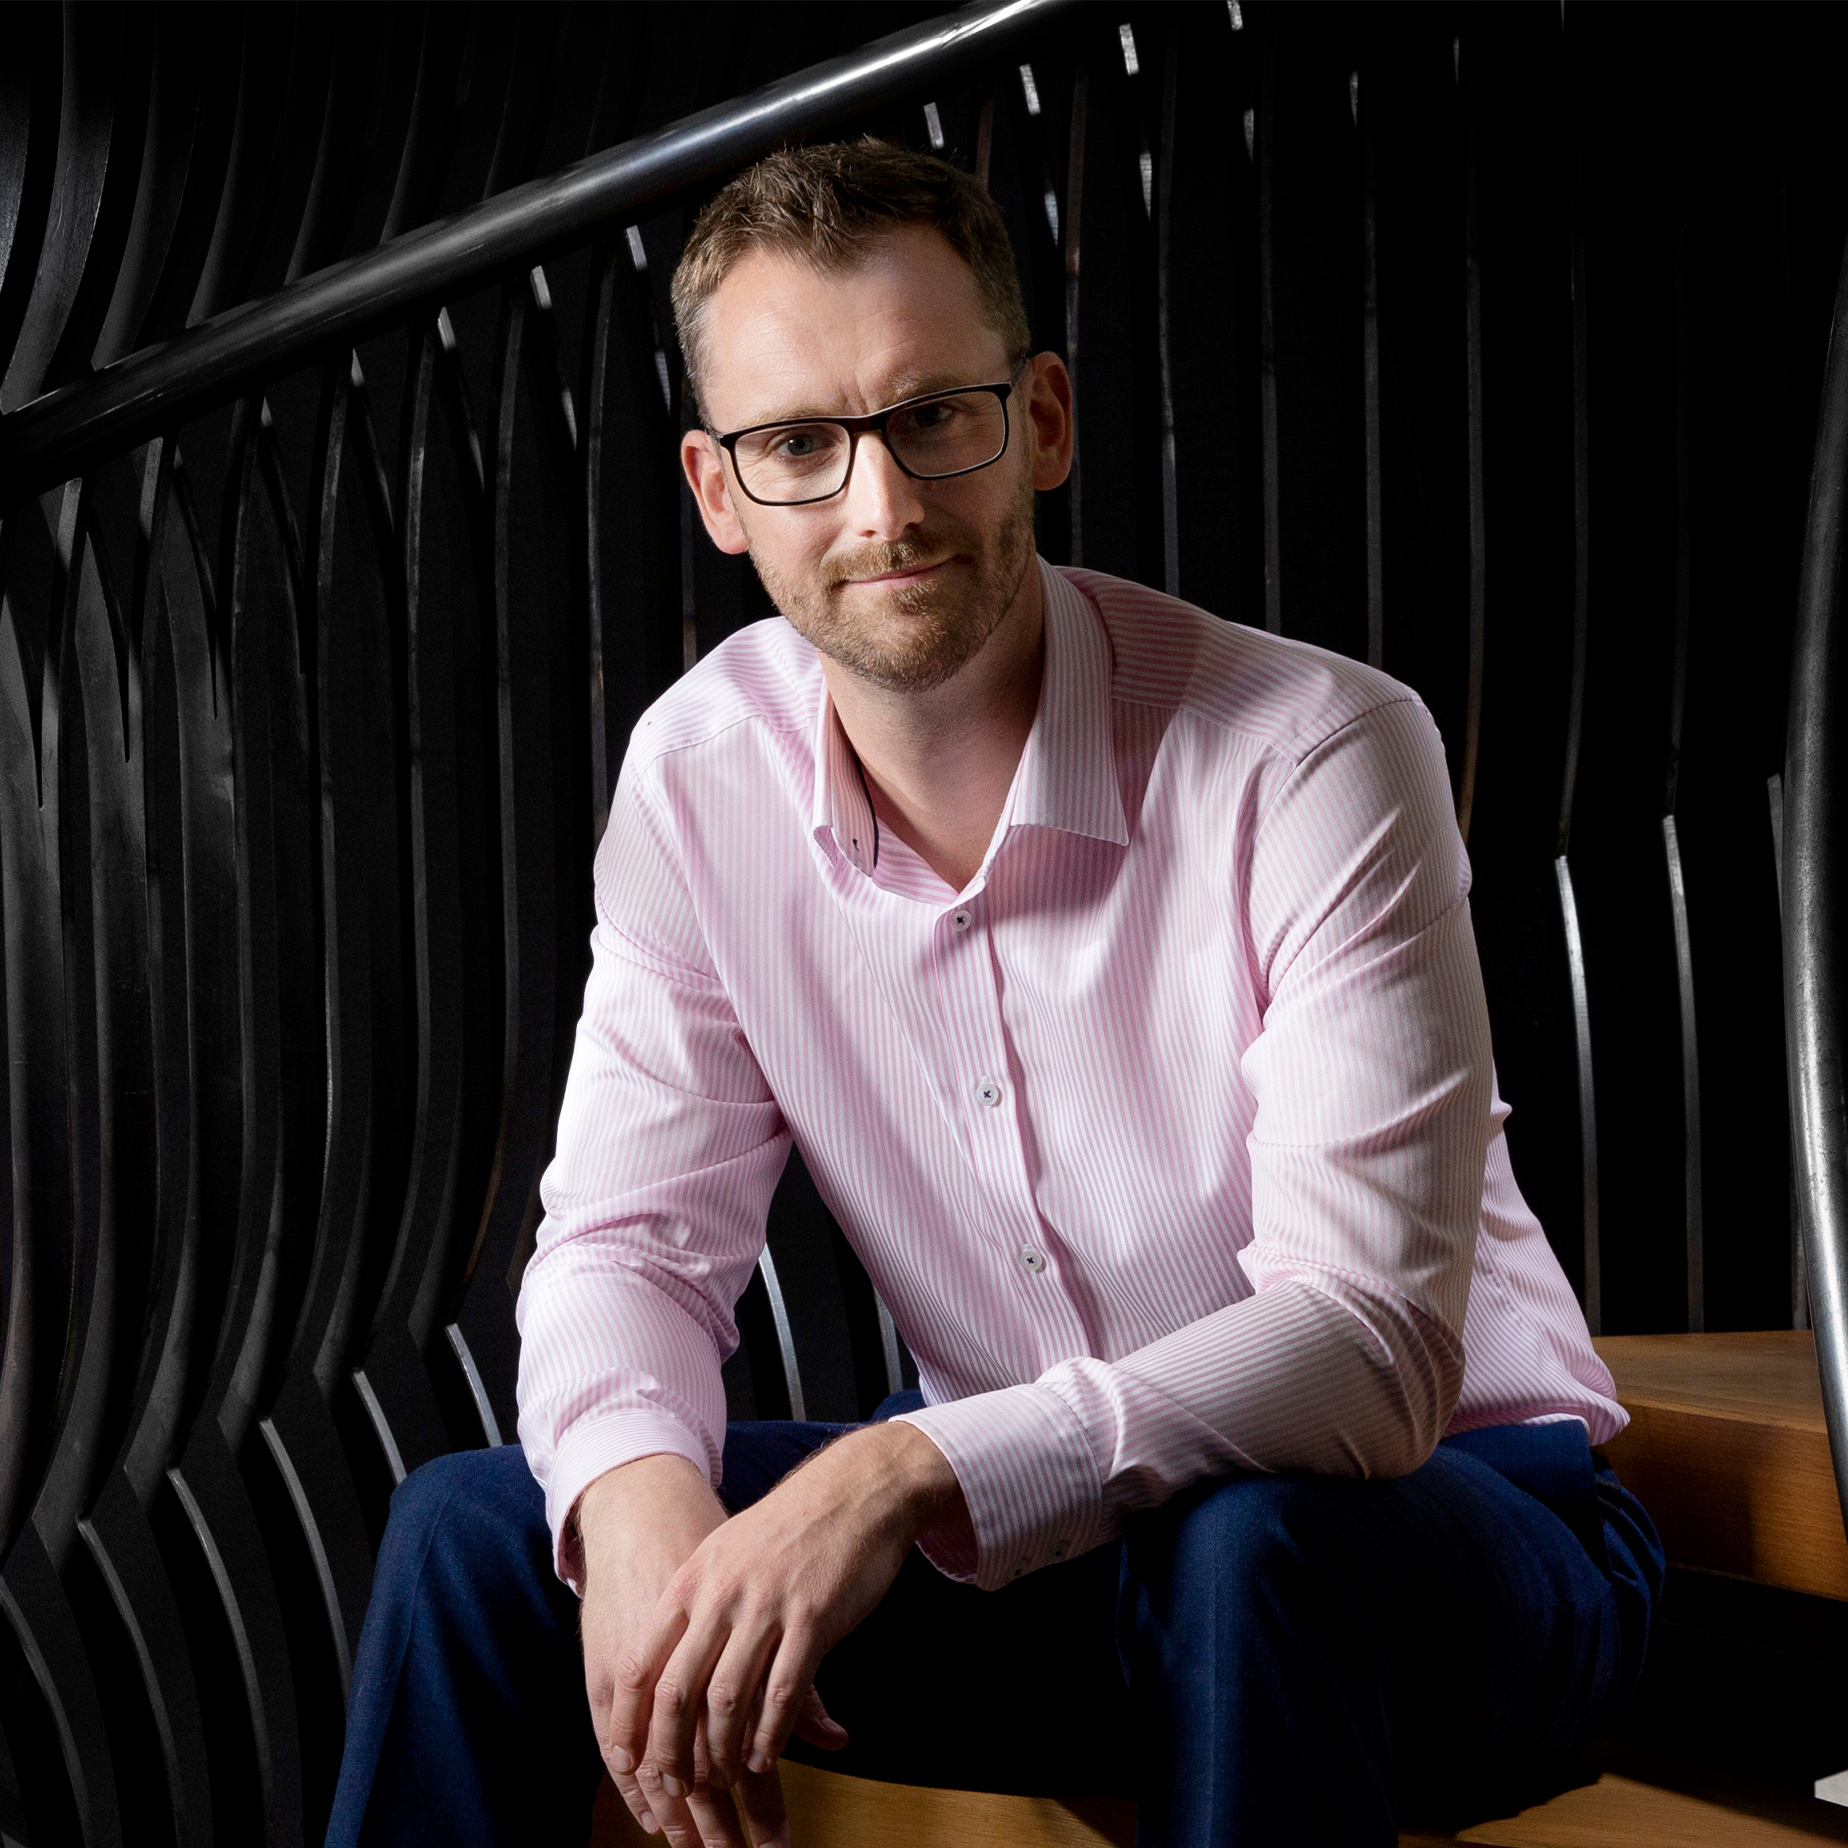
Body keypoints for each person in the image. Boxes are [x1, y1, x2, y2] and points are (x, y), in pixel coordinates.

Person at [325, 140, 1661, 1848]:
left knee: (1251, 1542)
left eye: (932, 418)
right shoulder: (699, 780)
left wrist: (909, 1467)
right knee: (476, 1532)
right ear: (718, 492)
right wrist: (641, 1512)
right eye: (798, 446)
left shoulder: (1316, 751)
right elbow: (626, 1246)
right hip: (1052, 1576)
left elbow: (1367, 1347)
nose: (879, 508)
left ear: (1041, 419)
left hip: (1450, 1532)